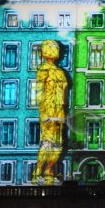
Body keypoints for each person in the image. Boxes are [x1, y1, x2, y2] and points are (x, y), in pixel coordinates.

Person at [34, 40, 68, 185]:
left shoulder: (59, 72)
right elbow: (39, 91)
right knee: (47, 143)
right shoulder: (43, 70)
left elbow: (64, 93)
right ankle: (37, 172)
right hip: (48, 109)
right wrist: (43, 112)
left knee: (57, 144)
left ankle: (49, 171)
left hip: (59, 110)